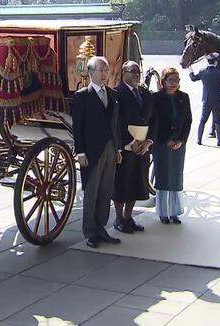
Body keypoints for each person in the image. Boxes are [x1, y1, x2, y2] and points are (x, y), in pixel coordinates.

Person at [72, 56, 122, 248]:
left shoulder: (112, 94)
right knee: (91, 191)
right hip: (92, 150)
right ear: (91, 72)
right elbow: (78, 127)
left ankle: (102, 227)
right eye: (101, 71)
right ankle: (90, 231)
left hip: (110, 147)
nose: (104, 74)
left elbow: (116, 124)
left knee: (106, 189)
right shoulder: (82, 95)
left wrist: (118, 148)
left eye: (106, 70)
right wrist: (80, 151)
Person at [113, 61, 155, 234]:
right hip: (126, 146)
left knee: (138, 182)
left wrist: (149, 140)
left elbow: (154, 118)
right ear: (124, 73)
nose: (137, 74)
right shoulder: (116, 93)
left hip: (143, 146)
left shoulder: (145, 93)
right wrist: (127, 142)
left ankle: (129, 217)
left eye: (138, 71)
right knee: (122, 183)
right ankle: (119, 218)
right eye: (132, 71)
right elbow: (115, 121)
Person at [152, 68, 192, 224]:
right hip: (162, 143)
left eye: (177, 80)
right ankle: (163, 212)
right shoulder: (157, 98)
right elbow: (155, 122)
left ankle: (175, 211)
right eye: (171, 80)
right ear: (164, 81)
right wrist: (165, 139)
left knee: (175, 177)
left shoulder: (183, 97)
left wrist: (181, 140)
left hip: (179, 143)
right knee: (163, 176)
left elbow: (188, 121)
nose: (174, 83)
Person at [190, 53, 220, 147]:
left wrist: (190, 70)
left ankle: (199, 139)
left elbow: (193, 78)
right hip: (216, 99)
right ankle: (219, 141)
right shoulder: (219, 72)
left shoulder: (202, 71)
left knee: (203, 120)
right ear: (216, 62)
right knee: (218, 120)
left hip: (206, 99)